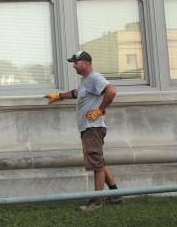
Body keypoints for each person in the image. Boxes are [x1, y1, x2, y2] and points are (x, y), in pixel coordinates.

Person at [46, 50, 122, 212]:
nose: (73, 66)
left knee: (96, 164)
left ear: (85, 63)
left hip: (92, 127)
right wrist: (59, 96)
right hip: (89, 128)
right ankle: (116, 195)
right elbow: (76, 93)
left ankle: (97, 201)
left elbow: (112, 91)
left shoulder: (95, 77)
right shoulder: (86, 80)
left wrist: (100, 109)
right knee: (99, 160)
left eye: (76, 62)